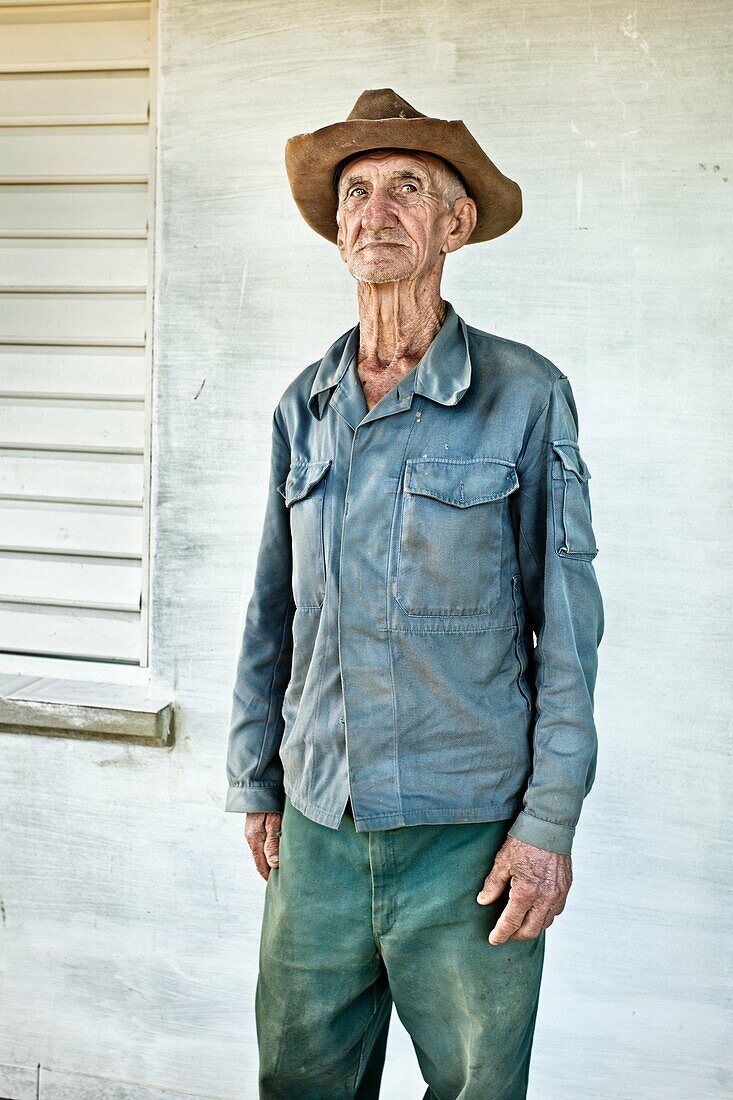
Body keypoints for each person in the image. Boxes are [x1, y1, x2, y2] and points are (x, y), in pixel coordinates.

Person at [225, 88, 604, 1100]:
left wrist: (547, 826)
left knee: (476, 1088)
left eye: (406, 187)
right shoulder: (301, 407)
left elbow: (568, 628)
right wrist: (256, 772)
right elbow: (273, 607)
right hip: (317, 829)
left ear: (454, 223)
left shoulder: (524, 396)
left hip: (469, 842)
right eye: (356, 191)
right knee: (299, 1080)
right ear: (337, 226)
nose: (375, 210)